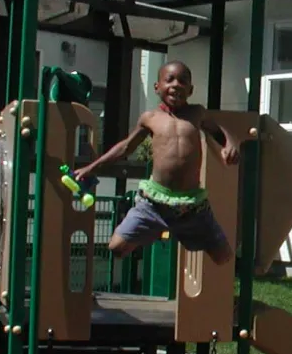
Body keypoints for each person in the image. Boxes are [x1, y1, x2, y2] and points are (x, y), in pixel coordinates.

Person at [73, 61, 239, 265]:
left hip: (192, 206)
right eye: (169, 80)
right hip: (154, 203)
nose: (176, 85)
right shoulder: (150, 117)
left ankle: (173, 230)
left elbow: (219, 131)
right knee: (116, 248)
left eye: (183, 81)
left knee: (224, 257)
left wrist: (230, 143)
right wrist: (91, 168)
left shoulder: (197, 113)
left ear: (191, 89)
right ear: (157, 87)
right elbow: (125, 147)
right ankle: (152, 230)